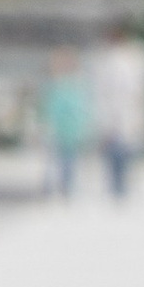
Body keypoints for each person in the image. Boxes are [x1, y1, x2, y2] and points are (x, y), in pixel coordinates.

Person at [90, 28, 144, 198]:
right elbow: (99, 88)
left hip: (130, 110)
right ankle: (116, 186)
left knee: (128, 149)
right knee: (114, 150)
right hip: (111, 112)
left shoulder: (137, 57)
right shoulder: (103, 58)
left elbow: (143, 84)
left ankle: (123, 185)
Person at [39, 57, 92, 197]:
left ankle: (64, 187)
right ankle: (59, 188)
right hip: (61, 130)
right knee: (60, 161)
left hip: (69, 130)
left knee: (66, 161)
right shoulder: (59, 87)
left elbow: (84, 110)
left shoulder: (72, 87)